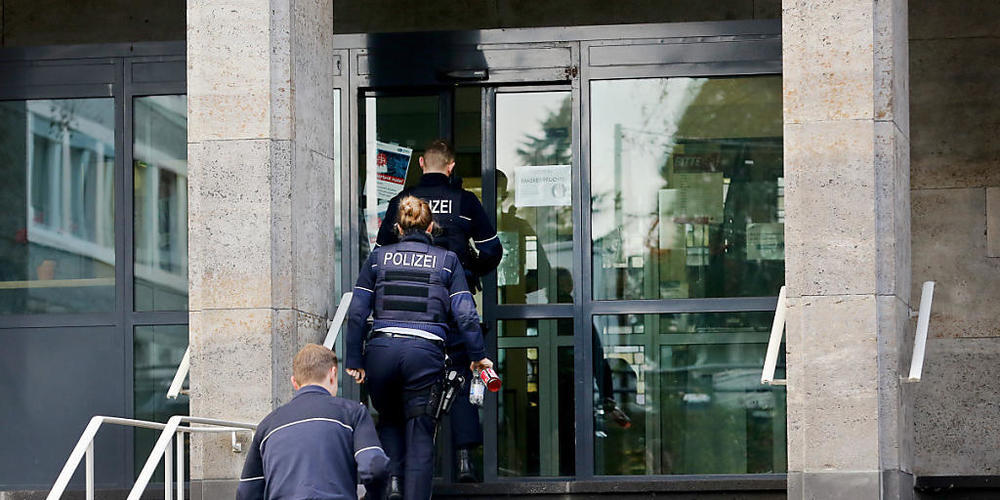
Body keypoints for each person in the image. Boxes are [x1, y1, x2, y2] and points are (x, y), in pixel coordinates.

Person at [346, 195, 494, 500]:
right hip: (424, 354)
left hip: (381, 352)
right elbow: (465, 314)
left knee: (388, 421)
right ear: (431, 228)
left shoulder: (378, 258)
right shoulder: (447, 261)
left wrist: (354, 358)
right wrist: (478, 357)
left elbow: (358, 311)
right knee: (421, 432)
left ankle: (393, 486)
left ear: (398, 227)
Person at [375, 139, 501, 482]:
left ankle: (399, 477)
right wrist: (470, 266)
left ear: (419, 164)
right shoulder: (465, 201)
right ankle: (463, 461)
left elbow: (382, 252)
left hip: (408, 311)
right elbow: (493, 250)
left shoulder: (401, 202)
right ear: (451, 166)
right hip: (453, 302)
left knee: (406, 390)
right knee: (459, 377)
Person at [237, 344, 388, 500]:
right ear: (333, 374)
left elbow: (247, 491)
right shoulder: (353, 413)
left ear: (294, 382)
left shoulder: (267, 425)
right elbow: (374, 466)